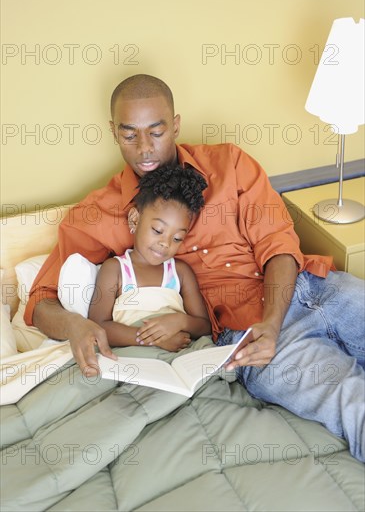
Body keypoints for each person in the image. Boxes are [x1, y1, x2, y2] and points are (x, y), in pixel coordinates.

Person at [26, 74, 364, 461]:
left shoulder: (230, 164)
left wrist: (274, 319)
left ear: (176, 125)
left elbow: (279, 244)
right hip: (248, 338)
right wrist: (77, 325)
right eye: (130, 135)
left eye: (157, 131)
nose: (145, 148)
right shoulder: (97, 213)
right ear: (113, 133)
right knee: (354, 403)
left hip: (315, 287)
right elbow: (40, 302)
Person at [87, 164, 211, 350]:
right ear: (135, 219)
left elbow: (204, 326)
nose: (165, 243)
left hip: (179, 352)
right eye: (158, 230)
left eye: (177, 238)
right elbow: (98, 326)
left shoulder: (180, 272)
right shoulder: (115, 269)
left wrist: (180, 321)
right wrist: (153, 339)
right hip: (135, 352)